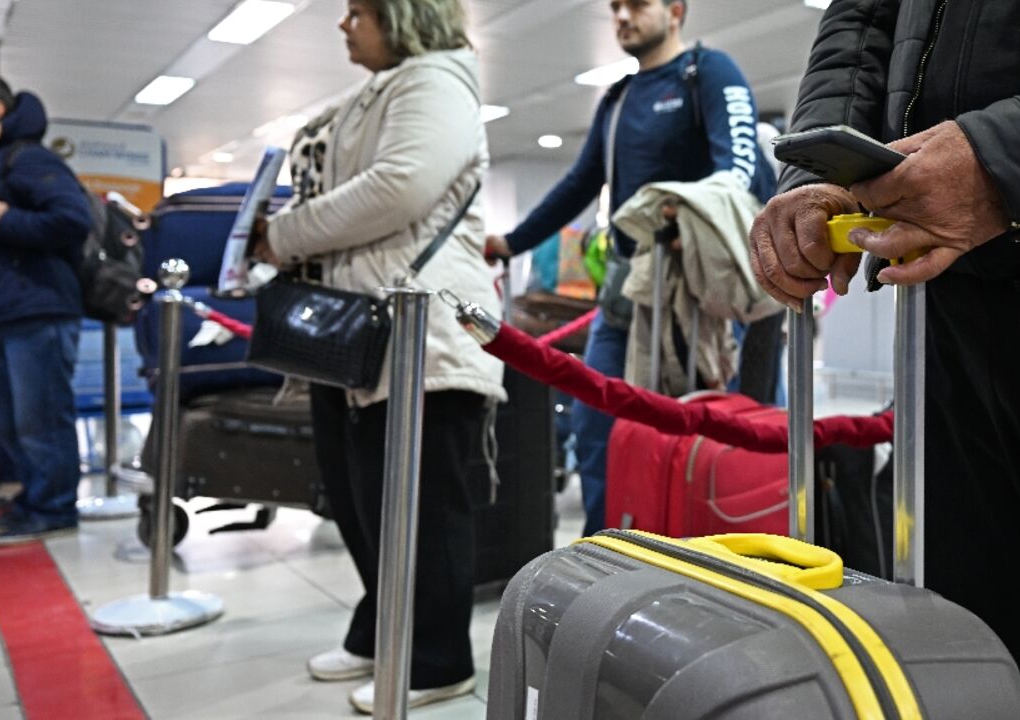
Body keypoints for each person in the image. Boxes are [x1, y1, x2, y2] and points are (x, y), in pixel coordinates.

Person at [749, 3, 1020, 719]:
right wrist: (821, 172)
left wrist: (1003, 159)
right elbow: (862, 20)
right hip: (947, 316)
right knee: (956, 681)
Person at [248, 0, 504, 713]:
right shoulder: (378, 88)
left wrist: (288, 234)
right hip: (360, 329)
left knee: (421, 506)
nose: (344, 24)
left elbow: (400, 187)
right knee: (360, 499)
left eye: (359, 10)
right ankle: (379, 628)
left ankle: (438, 658)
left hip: (422, 332)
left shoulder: (437, 81)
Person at [485, 0, 777, 536]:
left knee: (696, 438)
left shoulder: (709, 74)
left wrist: (682, 210)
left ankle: (697, 561)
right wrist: (510, 242)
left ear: (676, 11)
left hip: (694, 296)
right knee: (595, 430)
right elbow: (579, 183)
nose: (622, 15)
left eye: (637, 4)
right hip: (623, 290)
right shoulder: (618, 99)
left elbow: (736, 168)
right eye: (615, 7)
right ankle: (609, 555)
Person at [0, 70, 91, 545]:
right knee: (15, 424)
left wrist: (7, 220)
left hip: (37, 311)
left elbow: (73, 218)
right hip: (3, 312)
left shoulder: (26, 159)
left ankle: (54, 507)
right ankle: (32, 500)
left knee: (40, 419)